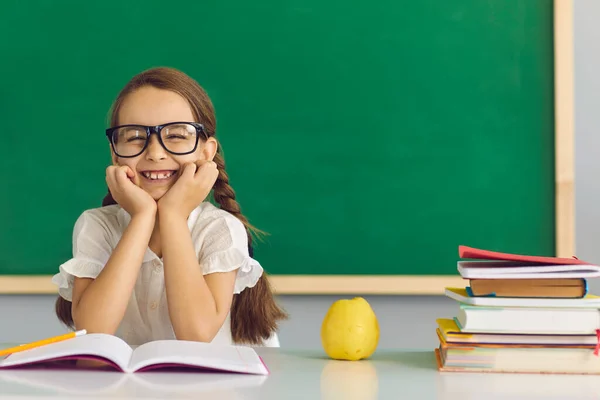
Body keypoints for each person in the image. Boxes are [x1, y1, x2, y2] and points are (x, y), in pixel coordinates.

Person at [52, 67, 286, 347]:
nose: (155, 152)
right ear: (115, 153)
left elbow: (196, 335)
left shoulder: (220, 229)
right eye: (135, 136)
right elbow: (93, 332)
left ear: (206, 151)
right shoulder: (96, 226)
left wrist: (173, 216)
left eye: (176, 135)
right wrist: (142, 217)